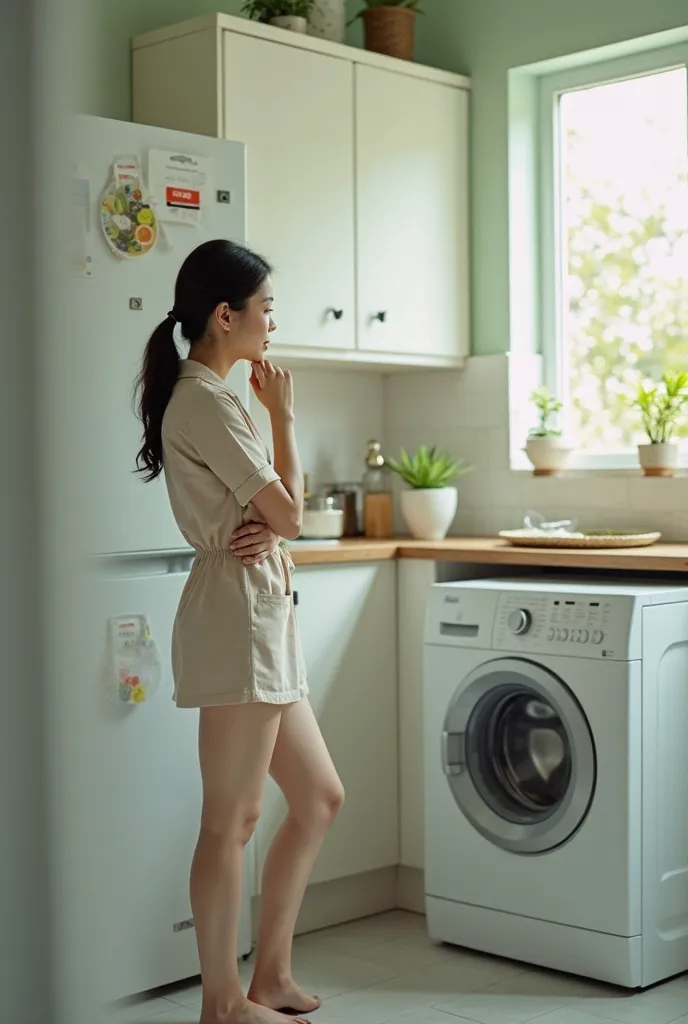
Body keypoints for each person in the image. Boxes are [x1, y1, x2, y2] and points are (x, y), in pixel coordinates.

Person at [134, 239, 345, 1024]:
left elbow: (280, 518)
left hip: (260, 613)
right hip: (238, 618)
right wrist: (283, 422)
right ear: (225, 317)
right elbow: (288, 512)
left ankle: (271, 978)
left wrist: (276, 499)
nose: (272, 326)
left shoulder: (219, 400)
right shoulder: (205, 400)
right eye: (265, 311)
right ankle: (222, 1003)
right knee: (232, 819)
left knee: (319, 797)